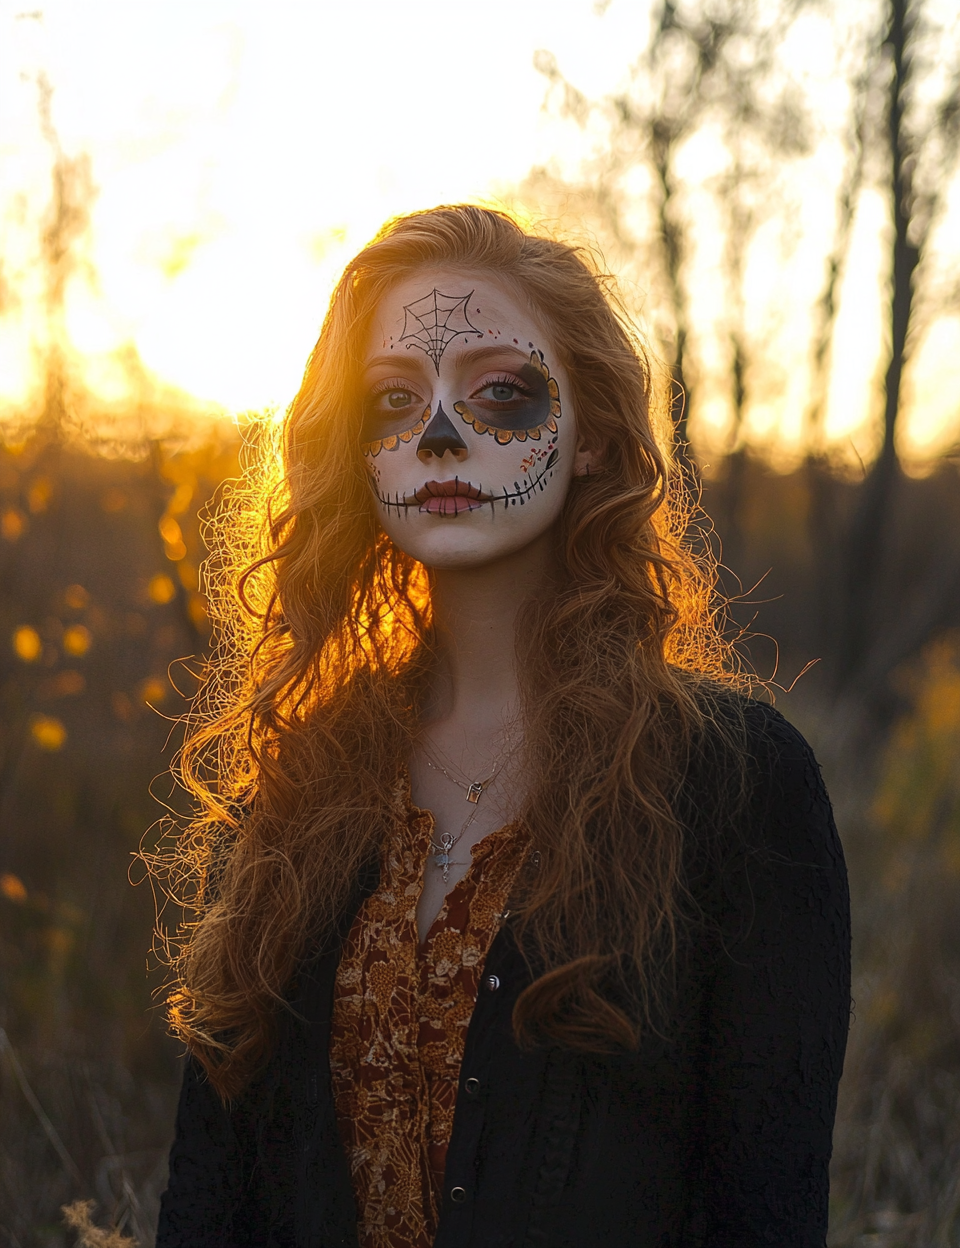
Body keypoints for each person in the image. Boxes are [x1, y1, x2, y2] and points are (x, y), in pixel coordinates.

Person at [155, 206, 851, 1248]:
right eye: (393, 399)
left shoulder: (735, 783)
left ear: (594, 440)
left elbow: (766, 1205)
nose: (439, 433)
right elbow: (210, 1197)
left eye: (499, 392)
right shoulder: (304, 777)